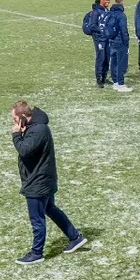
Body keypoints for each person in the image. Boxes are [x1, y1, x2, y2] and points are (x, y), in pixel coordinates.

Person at [10, 100, 86, 264]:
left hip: (38, 182)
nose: (13, 123)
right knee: (50, 208)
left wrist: (16, 134)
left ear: (23, 116)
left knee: (37, 218)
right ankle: (75, 237)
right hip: (44, 179)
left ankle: (37, 253)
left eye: (14, 119)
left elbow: (24, 150)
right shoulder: (36, 127)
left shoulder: (38, 130)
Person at [83, 0, 113, 87]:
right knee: (101, 58)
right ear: (101, 0)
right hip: (99, 38)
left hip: (106, 38)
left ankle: (104, 78)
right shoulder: (96, 12)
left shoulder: (106, 10)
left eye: (108, 0)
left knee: (107, 57)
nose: (108, 1)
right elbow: (92, 26)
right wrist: (102, 30)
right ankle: (99, 79)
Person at [104, 0, 132, 93]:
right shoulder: (121, 15)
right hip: (120, 42)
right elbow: (124, 30)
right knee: (121, 63)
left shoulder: (109, 13)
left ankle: (115, 82)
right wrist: (127, 42)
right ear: (122, 2)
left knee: (114, 62)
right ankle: (121, 84)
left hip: (111, 40)